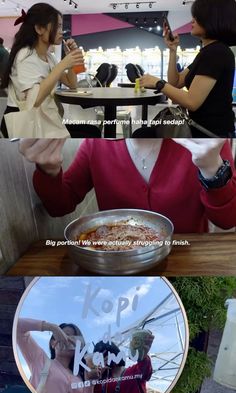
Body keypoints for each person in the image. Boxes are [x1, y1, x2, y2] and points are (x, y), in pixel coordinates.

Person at [18, 138, 236, 234]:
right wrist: (49, 170)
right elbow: (60, 206)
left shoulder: (202, 142)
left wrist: (212, 169)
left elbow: (228, 220)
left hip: (187, 259)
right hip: (117, 260)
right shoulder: (96, 144)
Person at [0, 3, 101, 138]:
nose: (62, 31)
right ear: (39, 29)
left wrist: (69, 59)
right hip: (24, 124)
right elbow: (34, 100)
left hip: (41, 119)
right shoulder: (25, 55)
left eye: (61, 26)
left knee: (93, 131)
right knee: (91, 134)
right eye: (57, 26)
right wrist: (62, 65)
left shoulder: (49, 57)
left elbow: (72, 84)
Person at [139, 0, 236, 138]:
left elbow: (192, 102)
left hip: (210, 135)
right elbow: (176, 82)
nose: (192, 21)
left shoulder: (216, 52)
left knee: (142, 134)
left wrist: (158, 83)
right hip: (201, 129)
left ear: (212, 19)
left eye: (197, 17)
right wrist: (173, 51)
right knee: (143, 133)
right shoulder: (208, 52)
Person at [17, 317, 93, 393]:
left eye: (74, 338)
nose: (68, 340)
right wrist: (52, 327)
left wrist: (90, 382)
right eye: (63, 335)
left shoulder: (80, 377)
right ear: (53, 343)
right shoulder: (40, 359)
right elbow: (17, 326)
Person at [91, 329, 154, 393]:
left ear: (114, 353)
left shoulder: (133, 371)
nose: (103, 361)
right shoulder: (102, 382)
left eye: (104, 356)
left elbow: (146, 371)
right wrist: (97, 378)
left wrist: (142, 355)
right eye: (99, 359)